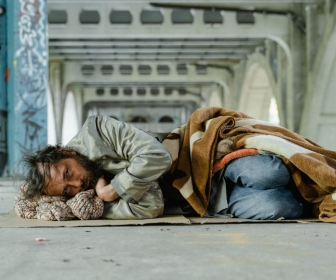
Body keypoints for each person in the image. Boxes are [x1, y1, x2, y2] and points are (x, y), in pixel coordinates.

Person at [20, 107, 336, 221]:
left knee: (269, 173)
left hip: (204, 160)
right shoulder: (88, 199)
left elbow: (156, 157)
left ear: (66, 152)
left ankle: (309, 179)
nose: (76, 184)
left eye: (67, 173)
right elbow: (153, 206)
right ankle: (312, 196)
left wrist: (116, 189)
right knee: (280, 206)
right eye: (66, 189)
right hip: (202, 200)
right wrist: (101, 205)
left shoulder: (98, 129)